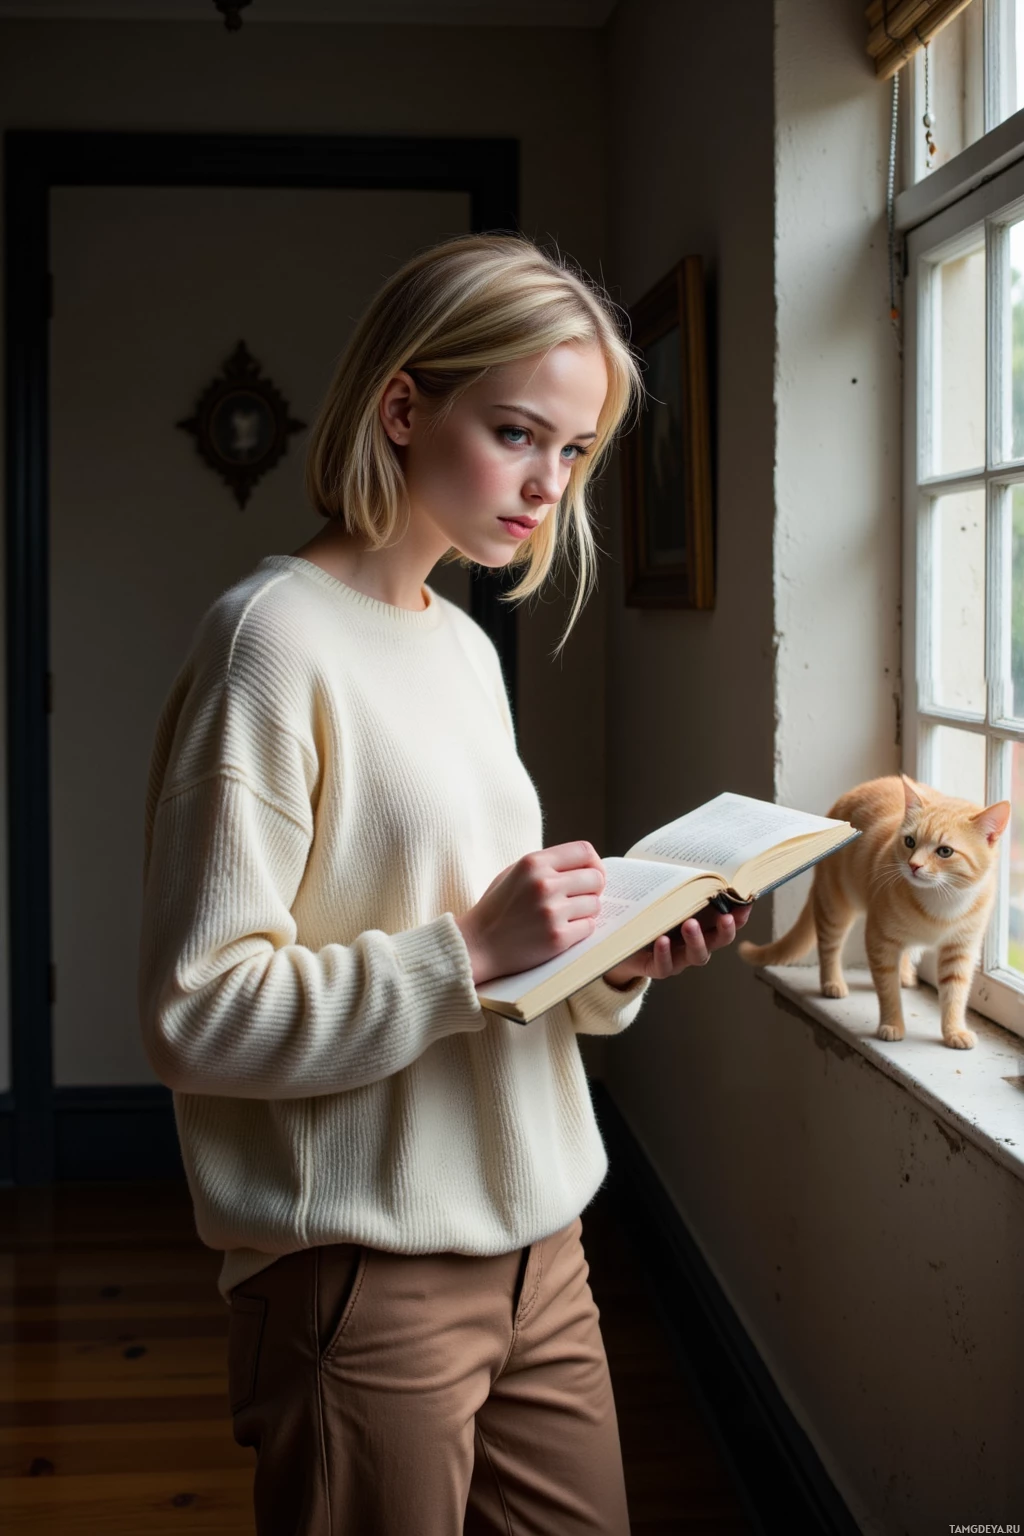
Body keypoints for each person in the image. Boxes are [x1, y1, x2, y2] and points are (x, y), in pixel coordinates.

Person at [137, 232, 749, 1536]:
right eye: (518, 433)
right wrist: (462, 954)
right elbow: (196, 1013)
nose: (547, 485)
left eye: (573, 451)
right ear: (403, 407)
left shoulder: (465, 647)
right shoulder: (268, 644)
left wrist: (613, 958)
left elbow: (490, 967)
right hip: (364, 1275)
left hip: (545, 1250)